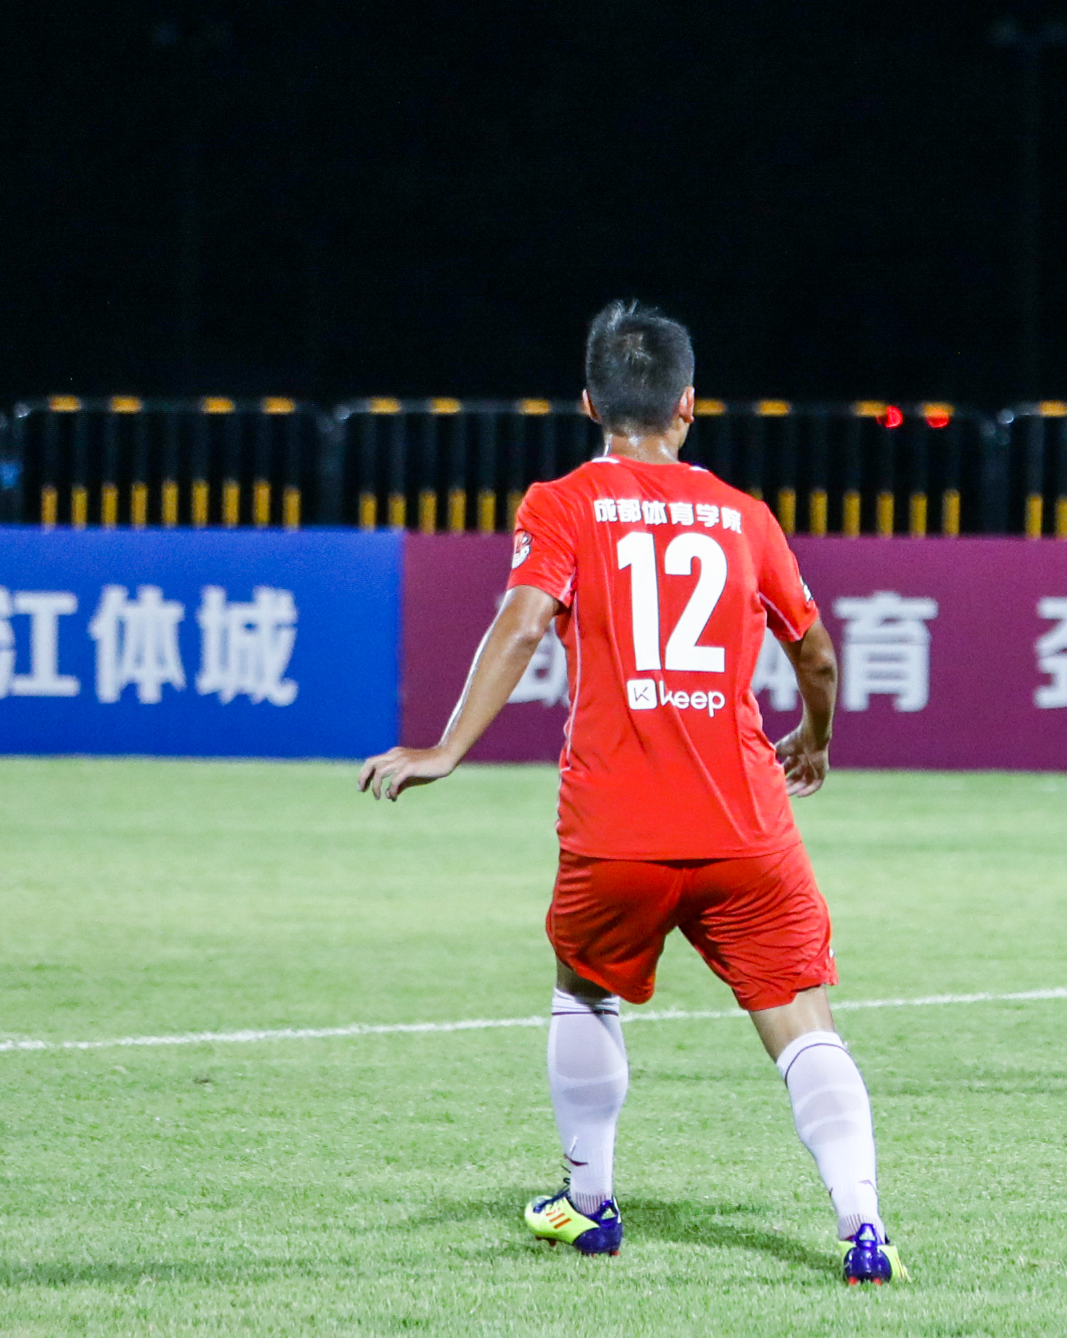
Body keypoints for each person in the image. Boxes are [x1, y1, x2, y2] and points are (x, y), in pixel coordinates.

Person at [357, 301, 901, 1284]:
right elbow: (817, 654)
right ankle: (864, 1227)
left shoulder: (562, 502)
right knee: (800, 1019)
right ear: (689, 403)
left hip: (617, 829)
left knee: (583, 989)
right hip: (746, 824)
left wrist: (446, 747)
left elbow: (524, 621)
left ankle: (589, 1202)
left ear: (588, 402)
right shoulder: (745, 516)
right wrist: (815, 742)